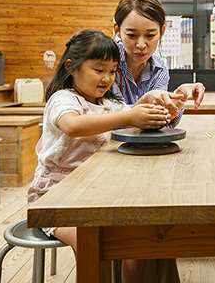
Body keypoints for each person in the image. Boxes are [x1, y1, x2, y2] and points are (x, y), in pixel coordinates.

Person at [27, 29, 178, 283]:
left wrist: (152, 102)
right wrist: (130, 115)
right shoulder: (63, 99)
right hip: (55, 200)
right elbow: (73, 125)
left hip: (97, 194)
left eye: (112, 71)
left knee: (138, 242)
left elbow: (130, 115)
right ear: (71, 67)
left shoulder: (107, 103)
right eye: (99, 70)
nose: (107, 78)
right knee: (96, 246)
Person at [112, 0, 205, 125]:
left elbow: (158, 121)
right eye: (131, 35)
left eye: (150, 35)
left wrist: (179, 97)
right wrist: (144, 103)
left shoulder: (159, 69)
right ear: (117, 31)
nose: (141, 45)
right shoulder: (105, 64)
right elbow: (105, 120)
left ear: (162, 32)